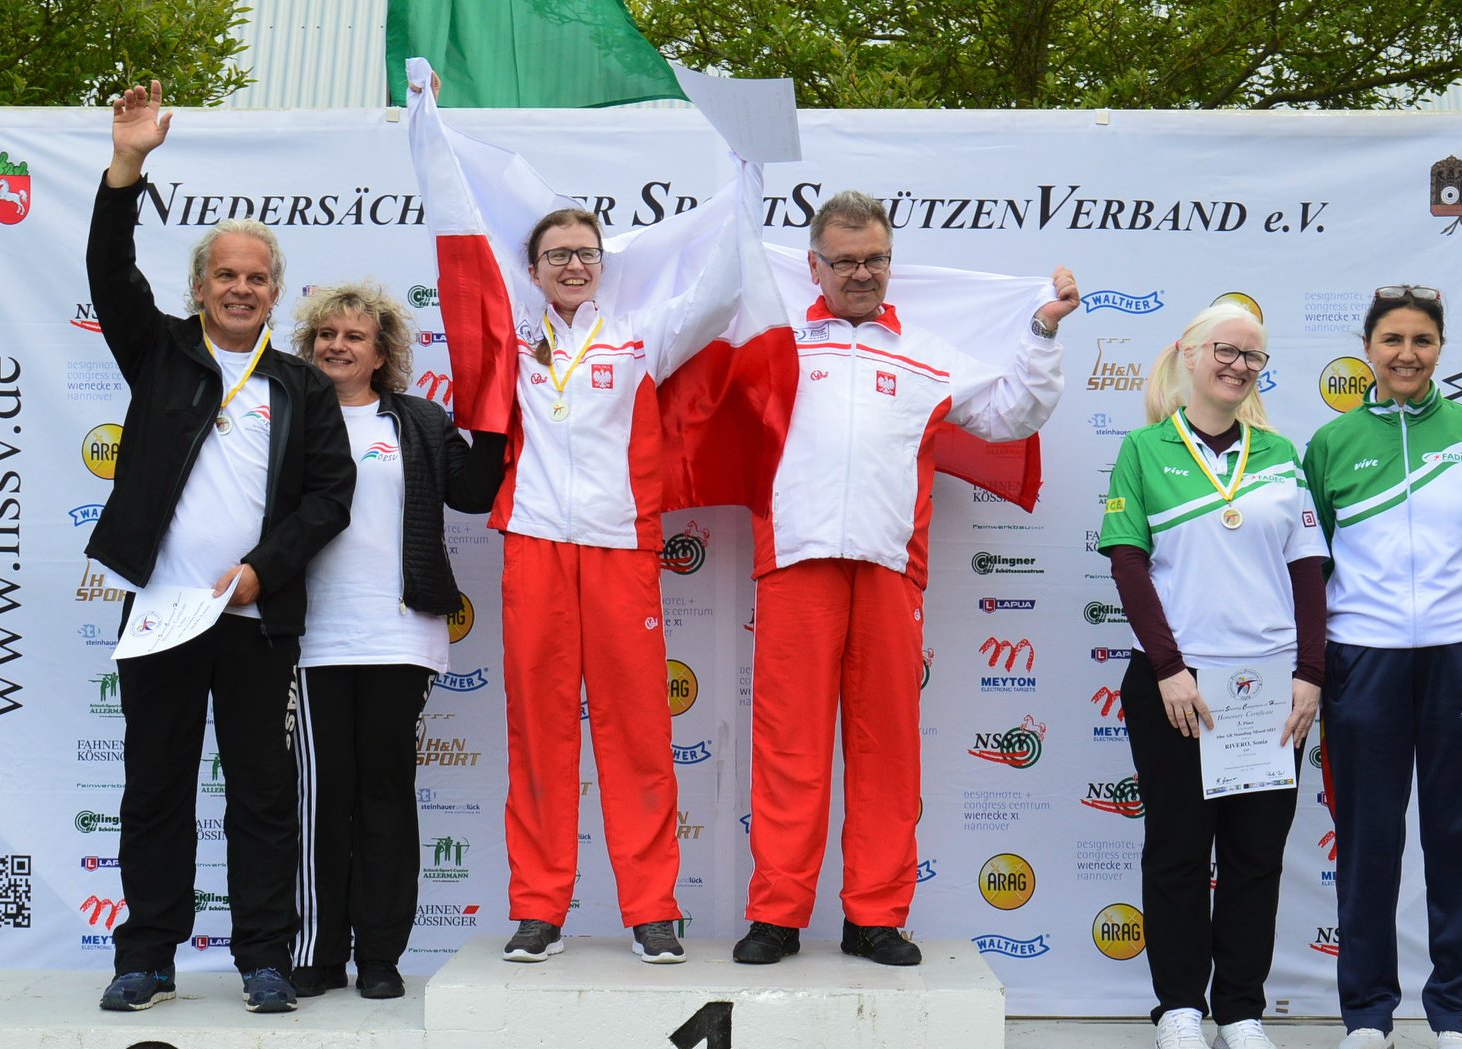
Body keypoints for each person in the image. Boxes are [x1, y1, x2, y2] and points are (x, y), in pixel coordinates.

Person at [407, 70, 760, 966]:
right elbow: (452, 204)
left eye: (585, 251)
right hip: (531, 547)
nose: (573, 262)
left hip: (618, 550)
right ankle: (540, 906)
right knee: (540, 733)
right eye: (557, 253)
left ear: (603, 264)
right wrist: (425, 116)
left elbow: (719, 291)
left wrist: (748, 176)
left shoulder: (642, 336)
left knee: (640, 731)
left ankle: (651, 906)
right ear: (532, 271)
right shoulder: (512, 342)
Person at [733, 191, 1079, 967]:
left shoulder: (927, 350)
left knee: (887, 749)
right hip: (794, 560)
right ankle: (777, 915)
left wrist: (1042, 330)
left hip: (892, 566)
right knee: (789, 748)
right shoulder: (772, 343)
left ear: (892, 263)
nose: (862, 273)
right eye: (846, 260)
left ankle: (875, 916)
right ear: (813, 265)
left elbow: (1014, 414)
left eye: (875, 260)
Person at [87, 81, 353, 1015]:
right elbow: (109, 273)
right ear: (199, 285)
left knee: (263, 796)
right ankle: (147, 956)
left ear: (276, 292)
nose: (241, 288)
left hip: (254, 617)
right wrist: (127, 168)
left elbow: (330, 498)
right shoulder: (158, 351)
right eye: (225, 275)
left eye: (257, 277)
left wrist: (259, 572)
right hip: (159, 610)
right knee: (154, 789)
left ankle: (263, 958)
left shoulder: (302, 388)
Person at [1098, 303, 1328, 1049]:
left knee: (1256, 854)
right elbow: (1128, 566)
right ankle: (1179, 1009)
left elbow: (1307, 575)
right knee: (1178, 851)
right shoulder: (1143, 449)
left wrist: (1309, 674)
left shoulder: (1281, 454)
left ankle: (1240, 1009)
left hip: (1269, 687)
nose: (1238, 365)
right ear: (1191, 354)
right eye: (1226, 350)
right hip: (1178, 683)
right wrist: (1168, 667)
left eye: (1253, 357)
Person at [1305, 285, 1462, 1049]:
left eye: (1422, 340)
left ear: (1441, 349)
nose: (1406, 353)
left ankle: (1459, 1014)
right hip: (1363, 657)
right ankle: (1368, 1009)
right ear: (1368, 349)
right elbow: (1316, 561)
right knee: (1368, 835)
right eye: (1392, 339)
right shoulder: (1330, 444)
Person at [287, 283, 505, 1000]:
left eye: (353, 336)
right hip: (313, 636)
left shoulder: (416, 419)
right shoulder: (285, 415)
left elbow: (473, 494)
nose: (337, 346)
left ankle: (381, 956)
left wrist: (495, 415)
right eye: (325, 334)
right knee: (323, 797)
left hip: (401, 634)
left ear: (382, 354)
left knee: (385, 795)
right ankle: (317, 953)